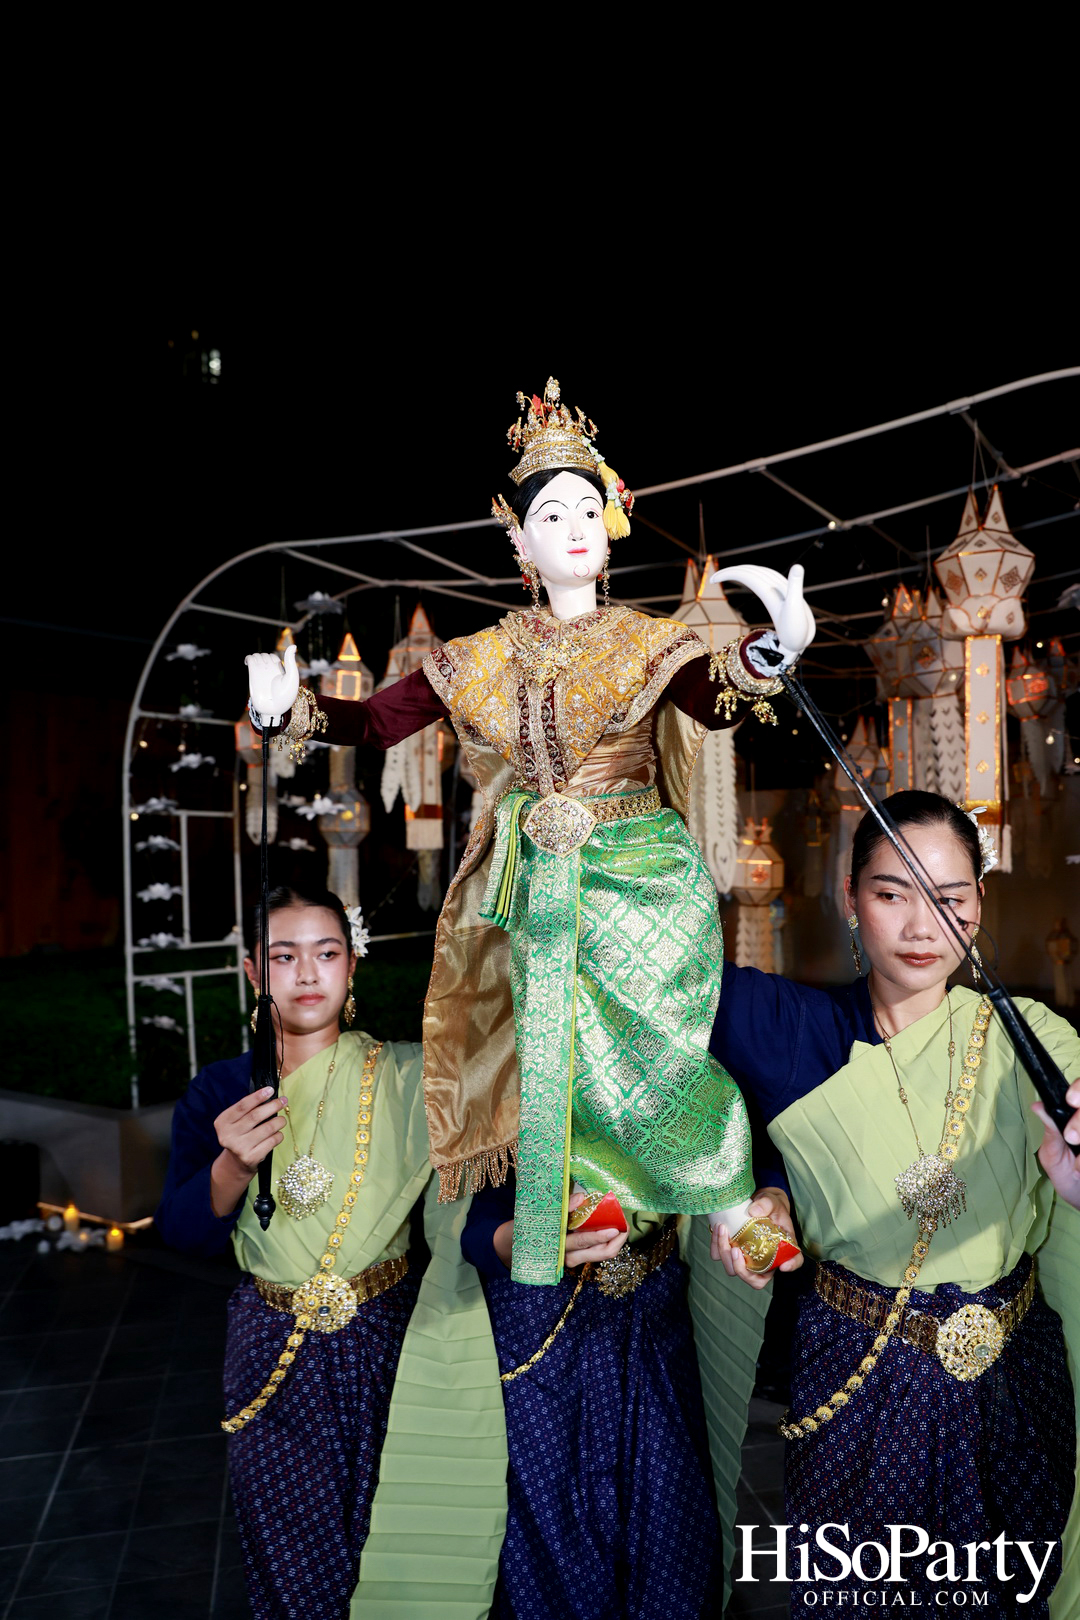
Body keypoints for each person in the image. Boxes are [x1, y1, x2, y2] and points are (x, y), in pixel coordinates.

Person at [246, 377, 815, 1291]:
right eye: (552, 513)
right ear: (519, 540)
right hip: (532, 878)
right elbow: (380, 723)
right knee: (554, 1038)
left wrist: (769, 654)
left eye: (590, 507)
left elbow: (712, 701)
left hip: (641, 868)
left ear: (613, 521)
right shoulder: (477, 657)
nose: (576, 526)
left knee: (659, 1033)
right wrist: (295, 711)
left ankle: (728, 1198)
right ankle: (586, 1190)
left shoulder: (646, 640)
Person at [709, 791, 1080, 1616]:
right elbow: (645, 970)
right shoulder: (787, 1027)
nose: (923, 926)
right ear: (849, 899)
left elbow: (1071, 1118)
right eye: (892, 894)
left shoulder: (1033, 1040)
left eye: (949, 898)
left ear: (979, 905)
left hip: (1010, 1386)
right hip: (854, 1376)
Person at [156, 885, 506, 1620]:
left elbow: (499, 1070)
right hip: (271, 1341)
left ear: (352, 967)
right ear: (255, 972)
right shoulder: (220, 1090)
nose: (307, 974)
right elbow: (182, 1232)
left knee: (390, 1535)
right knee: (291, 1551)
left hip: (386, 1338)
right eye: (285, 957)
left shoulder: (410, 1076)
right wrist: (231, 1166)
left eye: (326, 953)